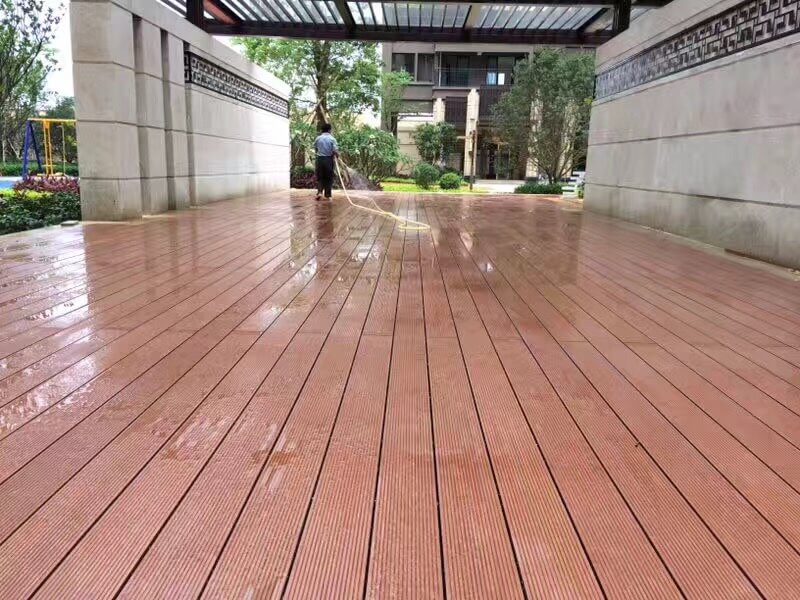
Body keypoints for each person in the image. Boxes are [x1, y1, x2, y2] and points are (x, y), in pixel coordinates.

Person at [313, 123, 338, 201]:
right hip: (328, 160)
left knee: (320, 177)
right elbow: (335, 150)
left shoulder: (318, 138)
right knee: (328, 178)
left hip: (319, 159)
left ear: (322, 130)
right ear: (330, 130)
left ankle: (319, 192)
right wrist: (337, 155)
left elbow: (315, 148)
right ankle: (328, 195)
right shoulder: (332, 139)